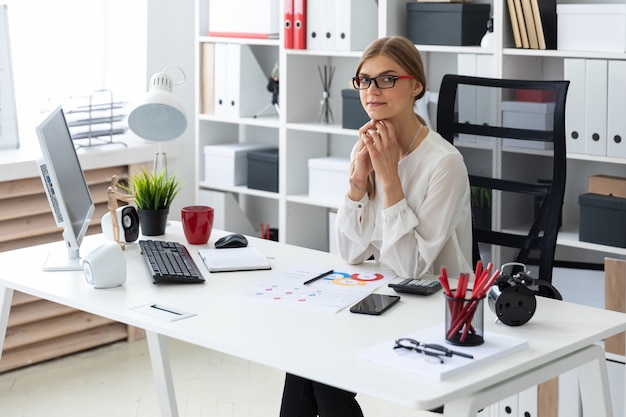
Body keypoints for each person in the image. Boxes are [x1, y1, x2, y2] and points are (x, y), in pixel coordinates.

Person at [279, 36, 473, 417]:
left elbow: (412, 268)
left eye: (386, 79)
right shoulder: (364, 147)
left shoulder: (444, 163)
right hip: (381, 296)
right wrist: (357, 182)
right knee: (305, 354)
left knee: (317, 367)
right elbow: (350, 252)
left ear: (416, 84)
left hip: (434, 309)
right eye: (364, 80)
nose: (371, 90)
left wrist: (389, 179)